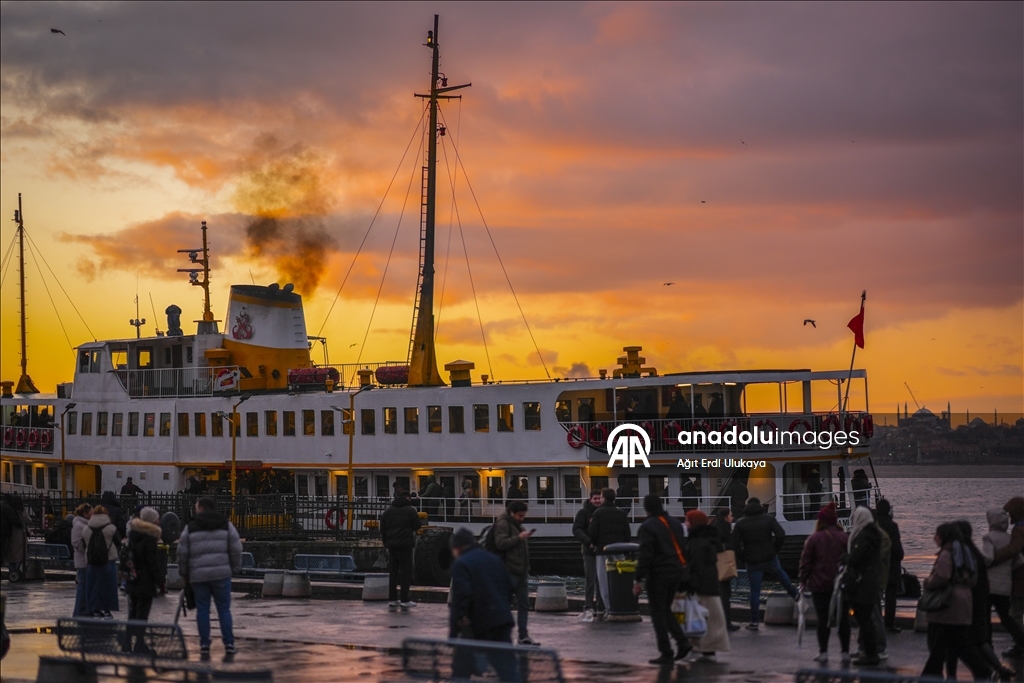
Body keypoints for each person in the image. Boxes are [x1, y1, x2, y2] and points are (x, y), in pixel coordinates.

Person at [448, 528, 519, 682]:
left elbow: (460, 600)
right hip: (502, 620)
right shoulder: (494, 559)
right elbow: (508, 589)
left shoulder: (461, 564)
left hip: (481, 625)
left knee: (461, 670)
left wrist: (453, 634)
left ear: (457, 548)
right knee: (508, 669)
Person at [176, 497, 242, 656]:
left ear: (201, 508)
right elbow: (236, 548)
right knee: (224, 610)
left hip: (198, 576)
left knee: (203, 610)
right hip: (221, 574)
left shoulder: (190, 527)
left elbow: (182, 552)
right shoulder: (226, 525)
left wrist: (184, 573)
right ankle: (229, 643)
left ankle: (204, 644)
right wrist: (234, 568)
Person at [633, 494, 692, 665]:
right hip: (676, 571)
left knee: (657, 612)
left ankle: (666, 651)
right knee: (666, 609)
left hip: (658, 573)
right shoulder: (675, 524)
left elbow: (646, 554)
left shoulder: (648, 526)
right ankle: (682, 642)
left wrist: (638, 578)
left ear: (647, 508)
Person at [951, 520, 1011, 681]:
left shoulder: (967, 553)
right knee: (979, 639)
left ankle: (986, 670)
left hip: (970, 603)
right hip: (980, 598)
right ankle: (996, 668)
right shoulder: (974, 552)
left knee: (968, 642)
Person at [732, 496, 798, 629]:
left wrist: (743, 557)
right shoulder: (768, 519)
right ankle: (795, 594)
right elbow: (780, 534)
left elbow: (734, 544)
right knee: (780, 574)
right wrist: (774, 550)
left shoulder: (740, 523)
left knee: (755, 591)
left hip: (752, 560)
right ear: (759, 506)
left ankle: (754, 621)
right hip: (769, 557)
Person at [921, 522, 976, 678]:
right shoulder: (965, 552)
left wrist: (928, 582)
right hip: (964, 602)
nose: (934, 538)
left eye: (937, 535)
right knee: (959, 645)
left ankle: (931, 676)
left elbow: (942, 576)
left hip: (947, 604)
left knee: (936, 644)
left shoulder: (946, 553)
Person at [798, 502, 850, 664]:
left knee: (823, 619)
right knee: (842, 619)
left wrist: (803, 580)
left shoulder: (814, 538)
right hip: (841, 585)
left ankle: (823, 652)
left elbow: (806, 562)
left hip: (819, 585)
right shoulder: (845, 537)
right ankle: (845, 652)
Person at [683, 509, 730, 661]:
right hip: (709, 586)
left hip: (700, 587)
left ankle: (701, 646)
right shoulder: (708, 541)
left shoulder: (696, 543)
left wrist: (689, 584)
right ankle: (708, 648)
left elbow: (696, 566)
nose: (685, 523)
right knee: (711, 620)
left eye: (687, 520)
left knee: (699, 618)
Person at [493, 500, 538, 645]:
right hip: (509, 571)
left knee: (524, 604)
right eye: (520, 515)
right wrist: (519, 538)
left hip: (521, 570)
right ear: (512, 513)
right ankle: (502, 635)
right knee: (505, 604)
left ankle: (523, 635)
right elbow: (500, 543)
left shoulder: (517, 525)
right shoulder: (503, 524)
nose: (522, 518)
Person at [983, 506, 1024, 659]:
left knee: (985, 616)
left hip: (989, 584)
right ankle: (1021, 639)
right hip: (1005, 586)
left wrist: (980, 565)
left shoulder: (989, 537)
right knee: (1006, 617)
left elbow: (987, 558)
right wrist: (1007, 569)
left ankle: (987, 645)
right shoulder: (1009, 538)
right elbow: (1019, 561)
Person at [123, 507, 166, 653]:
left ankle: (127, 643)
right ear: (151, 521)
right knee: (142, 615)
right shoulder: (149, 539)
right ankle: (140, 644)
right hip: (145, 583)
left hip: (132, 580)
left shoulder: (133, 536)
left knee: (132, 614)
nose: (159, 521)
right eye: (156, 518)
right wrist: (161, 581)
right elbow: (153, 564)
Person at [843, 506, 882, 666]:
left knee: (864, 619)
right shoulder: (874, 535)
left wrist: (846, 558)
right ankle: (869, 651)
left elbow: (856, 558)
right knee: (866, 618)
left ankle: (870, 653)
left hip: (863, 584)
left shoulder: (864, 536)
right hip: (870, 582)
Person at [588, 488, 631, 618]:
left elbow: (592, 532)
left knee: (604, 581)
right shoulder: (621, 513)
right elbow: (627, 533)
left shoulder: (598, 513)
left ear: (604, 498)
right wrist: (626, 550)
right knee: (620, 579)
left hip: (602, 550)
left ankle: (609, 609)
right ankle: (621, 606)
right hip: (619, 550)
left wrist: (594, 543)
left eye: (601, 497)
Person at [380, 490, 421, 610]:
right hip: (405, 545)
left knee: (393, 572)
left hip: (392, 545)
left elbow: (382, 529)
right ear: (408, 498)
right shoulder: (410, 510)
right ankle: (405, 599)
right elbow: (417, 525)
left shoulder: (388, 511)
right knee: (405, 572)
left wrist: (386, 542)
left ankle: (392, 599)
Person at [82, 504, 120, 618]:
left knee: (93, 586)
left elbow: (84, 543)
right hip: (108, 560)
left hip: (91, 560)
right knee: (108, 586)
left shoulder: (86, 528)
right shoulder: (111, 528)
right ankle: (107, 610)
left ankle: (95, 610)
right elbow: (118, 542)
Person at [572, 490, 604, 621]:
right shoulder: (584, 513)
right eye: (595, 499)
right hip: (589, 550)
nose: (597, 501)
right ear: (590, 499)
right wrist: (587, 542)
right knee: (591, 579)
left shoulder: (600, 512)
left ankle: (600, 606)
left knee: (600, 580)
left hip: (599, 549)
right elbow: (576, 529)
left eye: (599, 499)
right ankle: (590, 606)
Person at [874, 499, 904, 633]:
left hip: (875, 566)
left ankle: (876, 622)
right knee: (891, 596)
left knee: (876, 596)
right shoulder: (892, 526)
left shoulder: (872, 525)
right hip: (891, 565)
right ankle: (889, 624)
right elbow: (897, 548)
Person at [711, 508, 740, 632]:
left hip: (717, 564)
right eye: (730, 515)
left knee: (721, 593)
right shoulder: (721, 529)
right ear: (725, 517)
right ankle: (726, 622)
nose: (732, 518)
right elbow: (718, 545)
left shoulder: (716, 526)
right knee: (725, 593)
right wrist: (729, 546)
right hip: (722, 564)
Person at [70, 503, 93, 616]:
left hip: (85, 559)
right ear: (85, 514)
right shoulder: (80, 526)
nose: (93, 514)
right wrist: (88, 549)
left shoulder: (85, 525)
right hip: (83, 560)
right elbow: (76, 543)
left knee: (85, 586)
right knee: (82, 586)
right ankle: (79, 611)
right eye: (91, 512)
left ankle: (83, 610)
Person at [1, 494, 28, 582]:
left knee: (11, 554)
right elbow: (15, 520)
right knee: (16, 554)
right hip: (6, 533)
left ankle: (12, 571)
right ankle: (17, 572)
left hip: (7, 533)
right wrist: (23, 525)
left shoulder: (3, 506)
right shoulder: (8, 508)